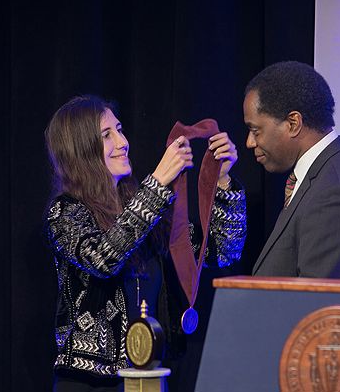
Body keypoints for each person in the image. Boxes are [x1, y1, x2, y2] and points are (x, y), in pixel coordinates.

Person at [44, 95, 246, 391]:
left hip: (150, 377)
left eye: (120, 129)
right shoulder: (65, 212)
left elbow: (223, 252)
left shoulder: (146, 212)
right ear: (81, 149)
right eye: (106, 135)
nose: (122, 142)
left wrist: (224, 179)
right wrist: (159, 182)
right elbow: (104, 258)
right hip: (90, 383)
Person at [243, 61, 340, 279]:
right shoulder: (324, 174)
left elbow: (317, 306)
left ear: (293, 123)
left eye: (255, 130)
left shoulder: (336, 194)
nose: (249, 142)